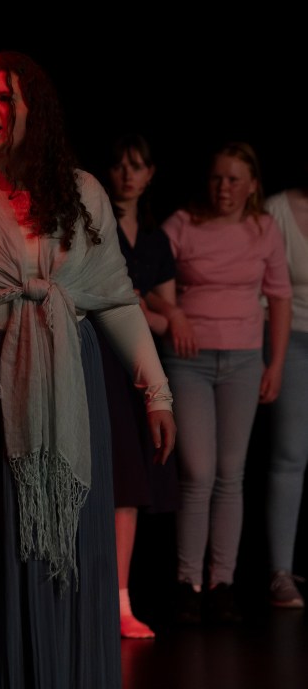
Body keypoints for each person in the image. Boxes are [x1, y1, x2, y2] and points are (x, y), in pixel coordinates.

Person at [0, 51, 176, 689]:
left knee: (60, 547)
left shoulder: (81, 194)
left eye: (5, 99)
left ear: (34, 112)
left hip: (64, 394)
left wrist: (157, 392)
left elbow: (115, 298)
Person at [155, 141, 292, 626]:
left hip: (243, 361)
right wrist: (173, 312)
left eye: (235, 179)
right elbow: (144, 278)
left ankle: (222, 583)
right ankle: (188, 582)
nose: (224, 187)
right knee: (198, 471)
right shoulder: (182, 224)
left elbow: (279, 297)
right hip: (189, 360)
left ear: (252, 185)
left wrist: (275, 364)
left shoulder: (264, 228)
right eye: (217, 178)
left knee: (231, 473)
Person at [98, 134, 181, 638]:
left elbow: (167, 320)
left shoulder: (153, 239)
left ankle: (122, 600)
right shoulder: (94, 222)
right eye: (119, 165)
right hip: (98, 361)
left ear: (151, 174)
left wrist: (149, 310)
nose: (127, 174)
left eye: (137, 165)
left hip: (137, 368)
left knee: (130, 483)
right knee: (102, 477)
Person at [263, 164, 308, 608]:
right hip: (291, 338)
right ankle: (281, 572)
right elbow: (265, 289)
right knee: (291, 453)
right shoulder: (277, 209)